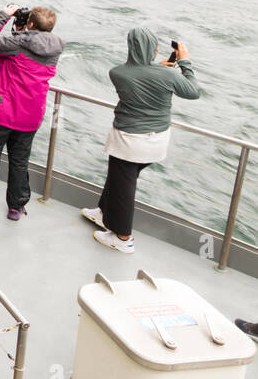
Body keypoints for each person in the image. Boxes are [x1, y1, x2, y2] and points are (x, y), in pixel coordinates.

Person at [82, 30, 200, 254]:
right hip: (156, 141)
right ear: (152, 50)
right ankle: (103, 213)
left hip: (128, 141)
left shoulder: (117, 73)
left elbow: (141, 76)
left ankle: (123, 238)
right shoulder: (169, 76)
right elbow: (193, 91)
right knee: (120, 178)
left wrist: (162, 68)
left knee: (124, 185)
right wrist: (184, 61)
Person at [0, 5, 64, 220]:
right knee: (19, 161)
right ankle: (16, 206)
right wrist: (23, 30)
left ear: (30, 24)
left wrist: (4, 15)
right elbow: (30, 45)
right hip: (30, 115)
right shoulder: (56, 47)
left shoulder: (18, 43)